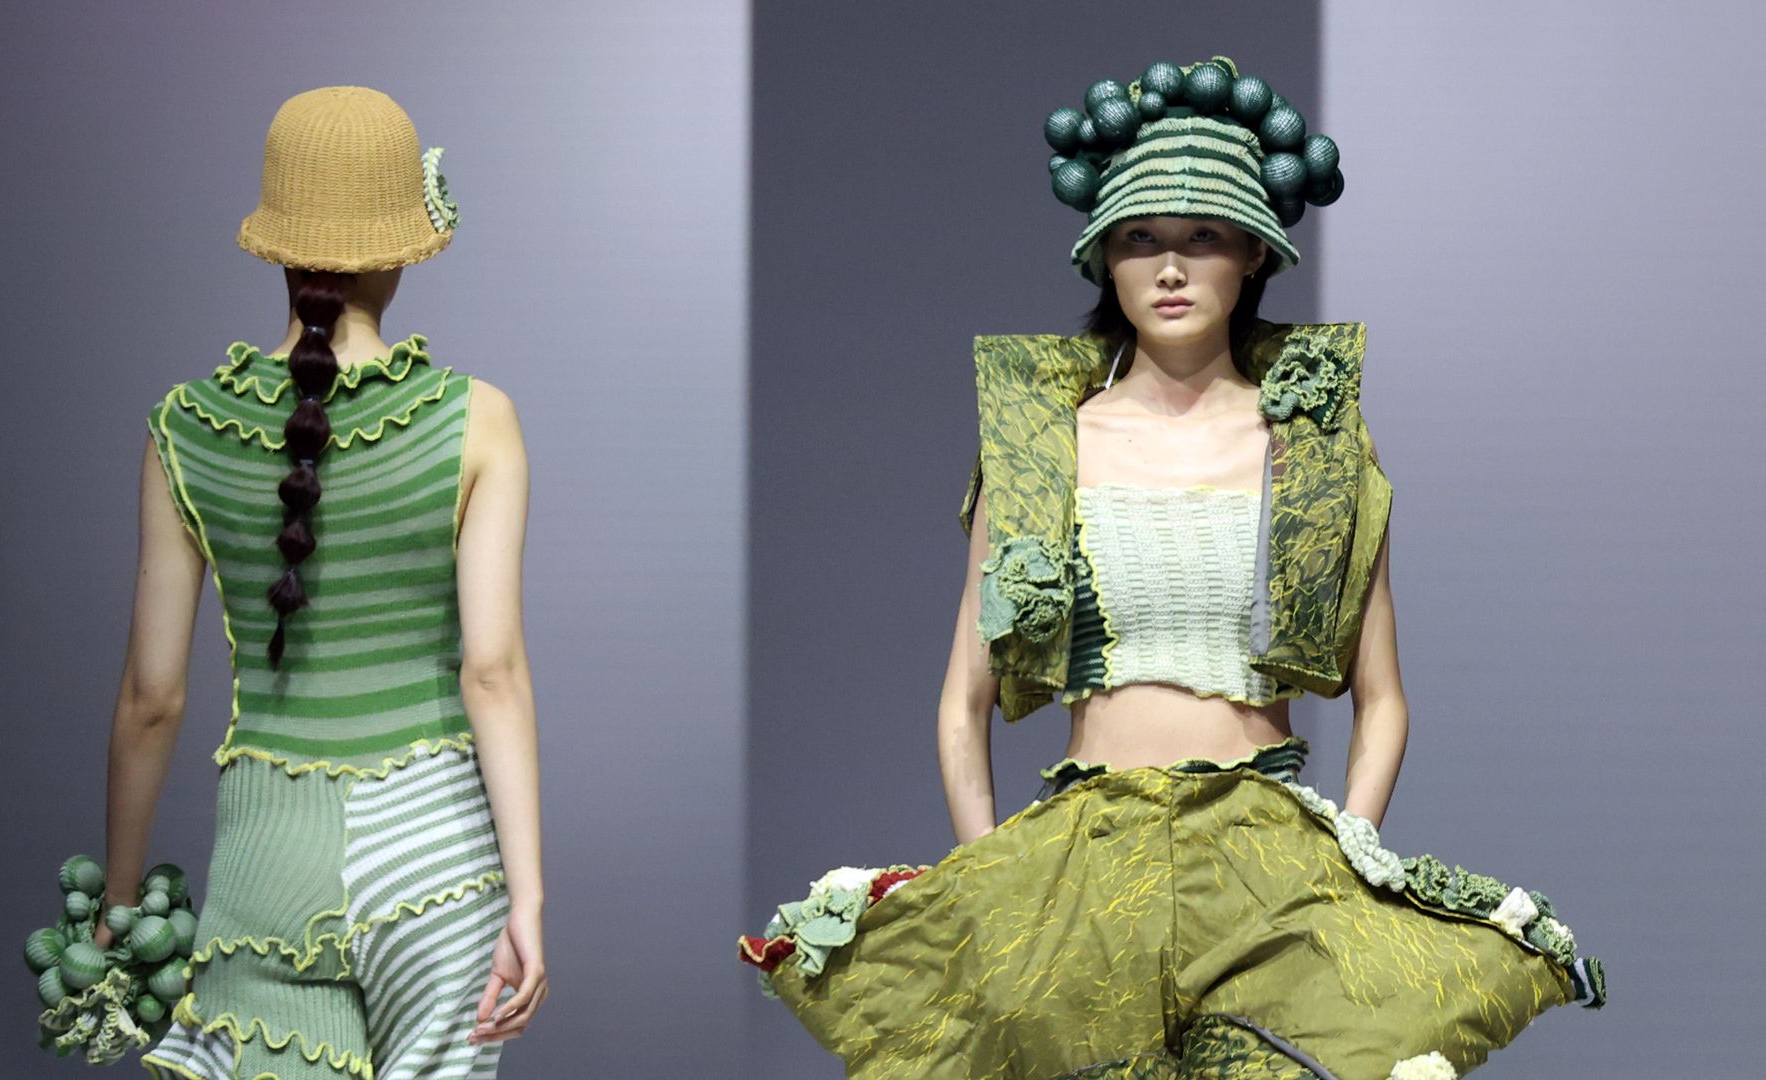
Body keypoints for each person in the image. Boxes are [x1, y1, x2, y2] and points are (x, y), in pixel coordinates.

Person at [739, 57, 1603, 1080]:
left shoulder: (1319, 448)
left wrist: (1349, 859)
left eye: (1204, 237)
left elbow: (1384, 698)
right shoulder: (1043, 449)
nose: (1172, 267)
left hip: (1268, 858)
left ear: (1252, 257)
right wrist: (986, 885)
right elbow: (959, 701)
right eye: (1141, 239)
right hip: (1080, 859)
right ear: (1106, 260)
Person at [93, 86, 546, 1079]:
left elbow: (152, 698)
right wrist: (529, 896)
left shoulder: (185, 430)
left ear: (279, 245)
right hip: (435, 855)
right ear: (399, 250)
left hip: (268, 864)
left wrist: (119, 910)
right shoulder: (480, 421)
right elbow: (494, 672)